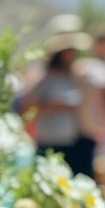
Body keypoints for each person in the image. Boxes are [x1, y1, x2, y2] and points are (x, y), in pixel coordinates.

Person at [21, 31, 94, 177]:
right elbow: (28, 107)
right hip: (50, 141)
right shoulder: (46, 79)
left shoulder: (76, 77)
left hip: (74, 141)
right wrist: (59, 106)